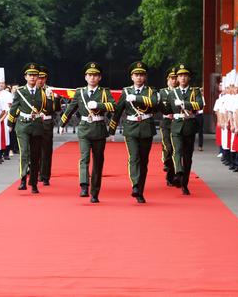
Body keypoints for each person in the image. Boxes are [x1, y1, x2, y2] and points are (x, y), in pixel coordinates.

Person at [59, 62, 116, 203]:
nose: (92, 78)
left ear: (99, 78)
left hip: (99, 128)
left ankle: (95, 192)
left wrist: (99, 105)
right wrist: (62, 123)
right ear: (85, 77)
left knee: (98, 162)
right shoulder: (80, 92)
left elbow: (113, 106)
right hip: (84, 127)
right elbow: (70, 108)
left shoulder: (104, 92)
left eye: (95, 75)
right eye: (90, 75)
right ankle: (84, 185)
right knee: (84, 158)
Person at [109, 61, 158, 203]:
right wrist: (111, 130)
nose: (139, 77)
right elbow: (118, 112)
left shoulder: (151, 91)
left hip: (146, 127)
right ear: (132, 77)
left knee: (143, 161)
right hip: (130, 128)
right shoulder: (126, 91)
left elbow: (154, 102)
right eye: (136, 75)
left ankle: (140, 190)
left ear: (145, 77)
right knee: (134, 157)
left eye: (142, 75)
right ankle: (135, 185)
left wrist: (137, 98)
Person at [7, 63, 46, 194]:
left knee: (35, 156)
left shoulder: (43, 92)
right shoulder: (20, 92)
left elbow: (47, 107)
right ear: (25, 77)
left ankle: (34, 183)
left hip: (37, 126)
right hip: (23, 125)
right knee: (24, 153)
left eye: (35, 75)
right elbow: (14, 107)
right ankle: (23, 178)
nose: (33, 78)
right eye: (30, 75)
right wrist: (10, 124)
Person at [168, 64, 204, 195]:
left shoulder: (195, 92)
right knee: (177, 150)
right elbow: (166, 109)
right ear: (177, 78)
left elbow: (200, 104)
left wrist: (184, 104)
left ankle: (184, 183)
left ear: (189, 78)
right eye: (180, 76)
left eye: (185, 76)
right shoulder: (172, 93)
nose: (182, 78)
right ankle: (178, 172)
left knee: (188, 157)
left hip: (189, 125)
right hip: (176, 125)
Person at [37, 66, 61, 186]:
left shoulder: (51, 91)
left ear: (46, 78)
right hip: (35, 122)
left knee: (46, 151)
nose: (40, 80)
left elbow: (56, 109)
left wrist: (56, 99)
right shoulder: (32, 90)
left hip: (46, 122)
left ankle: (45, 175)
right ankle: (36, 172)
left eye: (43, 78)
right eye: (38, 77)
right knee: (34, 150)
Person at [159, 67, 178, 186]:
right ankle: (166, 160)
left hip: (177, 122)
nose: (174, 80)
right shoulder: (162, 92)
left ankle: (171, 176)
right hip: (166, 122)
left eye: (176, 78)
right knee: (168, 146)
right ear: (167, 80)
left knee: (176, 149)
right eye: (172, 78)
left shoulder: (180, 92)